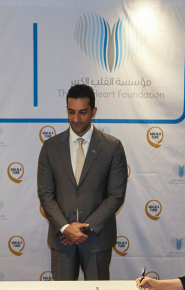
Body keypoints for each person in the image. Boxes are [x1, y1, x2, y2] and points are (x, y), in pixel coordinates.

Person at [37, 84, 127, 280]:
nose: (76, 119)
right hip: (62, 239)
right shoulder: (50, 147)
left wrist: (84, 229)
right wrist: (66, 228)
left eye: (82, 113)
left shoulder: (112, 147)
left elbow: (116, 195)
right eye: (71, 112)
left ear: (94, 111)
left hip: (96, 239)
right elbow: (45, 194)